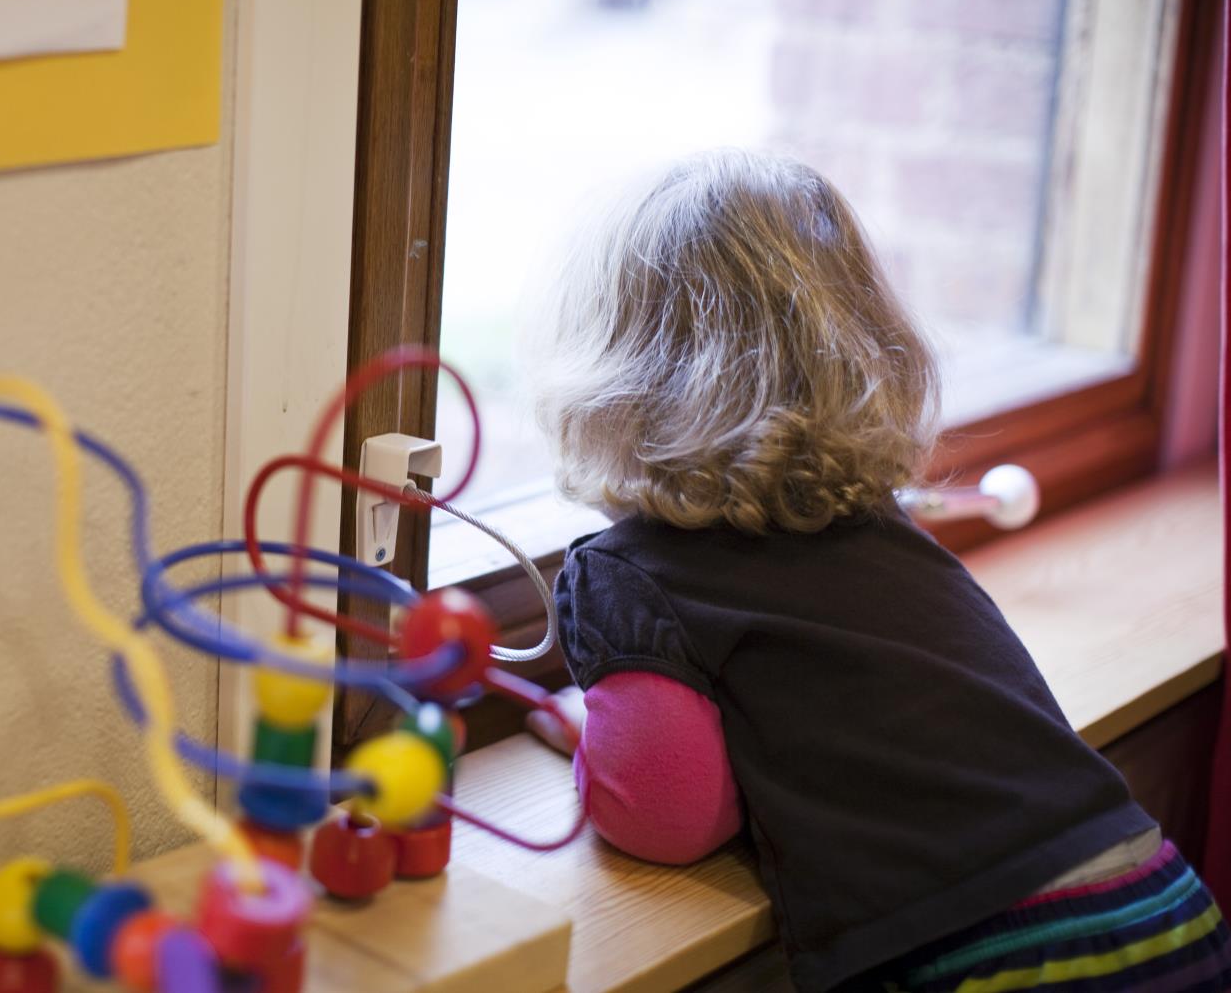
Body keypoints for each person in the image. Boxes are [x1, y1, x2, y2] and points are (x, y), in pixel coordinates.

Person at [523, 149, 1231, 992]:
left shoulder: (628, 577)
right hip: (1161, 905)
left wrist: (583, 727)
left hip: (1012, 965)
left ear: (614, 380)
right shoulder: (881, 529)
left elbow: (670, 818)